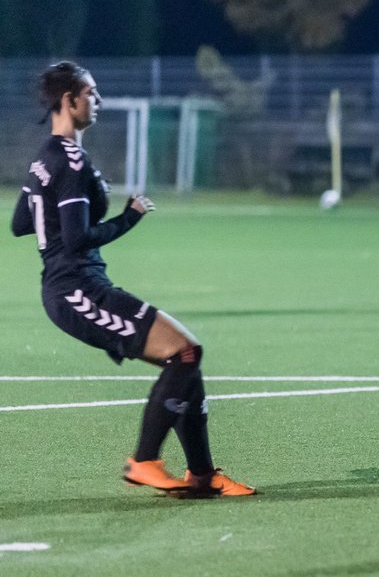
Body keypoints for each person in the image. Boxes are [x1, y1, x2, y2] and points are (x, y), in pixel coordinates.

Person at [11, 61, 254, 497]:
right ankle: (144, 461)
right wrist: (130, 217)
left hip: (72, 286)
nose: (98, 101)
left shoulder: (42, 159)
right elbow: (79, 236)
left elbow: (18, 222)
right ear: (69, 100)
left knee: (185, 359)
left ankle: (201, 477)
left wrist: (53, 219)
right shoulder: (69, 159)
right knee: (184, 353)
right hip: (76, 290)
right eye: (91, 93)